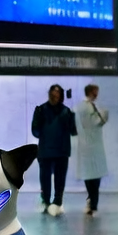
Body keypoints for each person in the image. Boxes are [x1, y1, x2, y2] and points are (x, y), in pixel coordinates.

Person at [32, 84, 78, 216]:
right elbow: (35, 130)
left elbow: (73, 130)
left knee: (57, 178)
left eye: (57, 95)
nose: (55, 97)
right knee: (47, 179)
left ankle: (55, 202)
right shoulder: (42, 110)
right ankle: (48, 202)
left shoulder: (64, 111)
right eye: (53, 95)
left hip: (58, 150)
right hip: (50, 150)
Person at [74, 84, 109, 215]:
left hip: (89, 145)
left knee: (91, 174)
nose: (97, 94)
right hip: (90, 145)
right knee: (92, 174)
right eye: (95, 91)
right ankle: (93, 201)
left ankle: (92, 201)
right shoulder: (86, 107)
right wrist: (104, 116)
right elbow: (96, 122)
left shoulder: (81, 107)